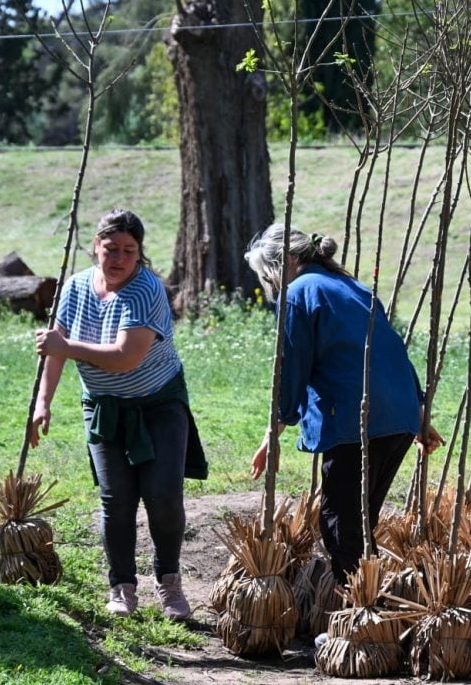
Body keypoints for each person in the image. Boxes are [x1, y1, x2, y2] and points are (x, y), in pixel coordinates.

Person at [30, 209, 207, 620]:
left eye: (130, 250)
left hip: (159, 404)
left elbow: (126, 358)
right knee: (116, 499)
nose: (119, 258)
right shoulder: (74, 289)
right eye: (111, 248)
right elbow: (53, 353)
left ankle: (170, 585)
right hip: (104, 409)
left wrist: (66, 346)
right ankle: (122, 587)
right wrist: (43, 402)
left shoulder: (147, 290)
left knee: (163, 495)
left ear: (140, 254)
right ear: (96, 246)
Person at [244, 224, 442, 585]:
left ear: (287, 261)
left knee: (340, 523)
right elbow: (393, 350)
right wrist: (419, 414)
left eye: (267, 275)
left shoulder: (299, 292)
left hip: (356, 420)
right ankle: (370, 605)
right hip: (397, 416)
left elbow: (291, 369)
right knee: (360, 520)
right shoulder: (354, 287)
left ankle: (361, 615)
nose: (270, 285)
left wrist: (273, 432)